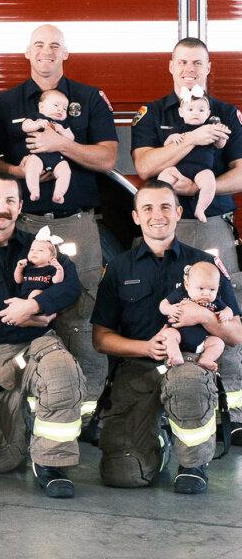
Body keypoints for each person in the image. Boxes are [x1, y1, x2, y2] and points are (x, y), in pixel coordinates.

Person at [0, 24, 117, 435]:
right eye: (39, 45)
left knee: (83, 315)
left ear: (65, 54)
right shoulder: (5, 103)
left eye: (54, 46)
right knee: (24, 310)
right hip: (23, 226)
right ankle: (27, 406)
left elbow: (108, 157)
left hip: (77, 224)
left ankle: (87, 410)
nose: (46, 52)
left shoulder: (90, 99)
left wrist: (64, 147)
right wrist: (16, 169)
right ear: (27, 52)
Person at [91, 180, 242, 493]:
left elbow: (236, 335)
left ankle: (194, 463)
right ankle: (157, 442)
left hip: (189, 363)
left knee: (187, 380)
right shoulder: (118, 267)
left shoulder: (206, 264)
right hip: (138, 368)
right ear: (135, 217)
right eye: (147, 208)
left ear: (178, 213)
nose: (156, 215)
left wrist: (203, 316)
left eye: (165, 207)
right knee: (123, 475)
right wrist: (144, 347)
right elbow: (101, 339)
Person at [0, 173, 85, 498]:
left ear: (20, 206)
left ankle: (51, 463)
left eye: (10, 200)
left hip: (38, 344)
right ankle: (21, 432)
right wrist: (17, 318)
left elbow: (70, 285)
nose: (2, 208)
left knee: (61, 371)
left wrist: (35, 303)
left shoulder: (39, 247)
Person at [131, 37, 242, 441]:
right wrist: (193, 140)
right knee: (163, 308)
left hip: (209, 225)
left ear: (209, 67)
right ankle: (165, 397)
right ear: (171, 65)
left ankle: (235, 408)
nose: (190, 70)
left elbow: (241, 173)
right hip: (163, 227)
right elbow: (144, 167)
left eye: (198, 63)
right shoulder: (154, 112)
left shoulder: (226, 113)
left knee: (225, 312)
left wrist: (196, 191)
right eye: (183, 62)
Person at [154, 90, 222, 222]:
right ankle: (166, 208)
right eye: (190, 109)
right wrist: (173, 138)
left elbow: (220, 145)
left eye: (201, 110)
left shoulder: (210, 129)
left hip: (201, 169)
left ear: (208, 114)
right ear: (181, 112)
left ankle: (200, 208)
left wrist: (220, 134)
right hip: (179, 168)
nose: (196, 113)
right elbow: (166, 145)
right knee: (163, 177)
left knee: (210, 182)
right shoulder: (178, 129)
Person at [157, 261, 229, 371]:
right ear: (187, 285)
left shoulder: (216, 301)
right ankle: (175, 356)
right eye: (201, 288)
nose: (206, 293)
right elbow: (163, 304)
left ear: (218, 288)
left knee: (218, 343)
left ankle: (206, 359)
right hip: (178, 337)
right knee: (167, 334)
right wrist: (169, 309)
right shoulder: (181, 294)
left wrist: (226, 314)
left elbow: (228, 309)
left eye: (212, 289)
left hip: (202, 341)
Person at [19, 89, 74, 204]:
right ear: (41, 107)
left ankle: (59, 193)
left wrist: (62, 131)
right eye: (56, 105)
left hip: (57, 158)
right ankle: (34, 190)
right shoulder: (36, 117)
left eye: (64, 109)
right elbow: (25, 126)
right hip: (37, 155)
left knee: (65, 171)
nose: (60, 109)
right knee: (31, 168)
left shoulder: (62, 124)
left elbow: (71, 138)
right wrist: (37, 124)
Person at [13, 227, 66, 300]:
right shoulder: (28, 267)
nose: (34, 252)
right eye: (32, 249)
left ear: (52, 257)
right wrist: (19, 268)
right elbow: (19, 280)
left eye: (40, 250)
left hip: (44, 297)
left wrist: (60, 269)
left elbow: (57, 281)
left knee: (36, 293)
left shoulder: (51, 268)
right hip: (25, 298)